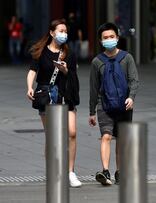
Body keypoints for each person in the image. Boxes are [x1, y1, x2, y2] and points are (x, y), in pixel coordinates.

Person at [26, 18, 81, 187]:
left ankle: (70, 172)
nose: (64, 34)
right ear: (52, 32)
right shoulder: (40, 51)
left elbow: (73, 76)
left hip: (66, 96)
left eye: (65, 31)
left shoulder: (69, 53)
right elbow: (32, 71)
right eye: (60, 31)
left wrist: (65, 69)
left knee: (71, 132)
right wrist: (29, 87)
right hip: (47, 96)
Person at [89, 22, 139, 186]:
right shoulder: (97, 61)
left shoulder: (127, 58)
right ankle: (105, 171)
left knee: (121, 139)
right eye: (105, 38)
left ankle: (119, 172)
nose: (109, 39)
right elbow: (94, 88)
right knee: (106, 136)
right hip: (104, 105)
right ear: (100, 41)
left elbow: (134, 80)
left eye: (111, 36)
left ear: (117, 38)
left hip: (124, 105)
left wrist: (131, 97)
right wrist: (91, 112)